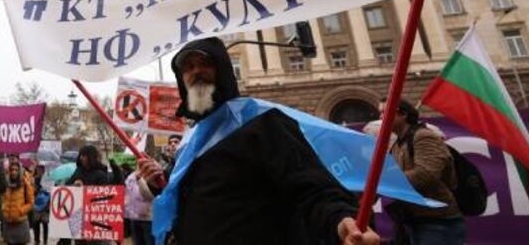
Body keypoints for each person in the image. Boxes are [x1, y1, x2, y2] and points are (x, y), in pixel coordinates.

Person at [137, 37, 380, 245]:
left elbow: (312, 187)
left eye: (205, 63)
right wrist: (161, 182)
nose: (196, 71)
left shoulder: (263, 123)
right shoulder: (190, 141)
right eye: (188, 67)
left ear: (222, 69)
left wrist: (341, 220)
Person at [385, 99, 466, 244]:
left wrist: (386, 183)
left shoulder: (423, 136)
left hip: (438, 222)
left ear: (403, 114)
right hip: (415, 220)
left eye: (385, 112)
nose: (381, 117)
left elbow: (426, 174)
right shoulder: (398, 144)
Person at [0, 159, 34, 245]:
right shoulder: (6, 184)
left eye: (16, 170)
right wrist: (4, 208)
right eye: (12, 170)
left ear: (20, 171)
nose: (14, 172)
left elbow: (31, 202)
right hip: (8, 223)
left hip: (20, 223)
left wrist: (20, 211)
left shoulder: (25, 184)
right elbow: (3, 198)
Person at [29, 164, 49, 245]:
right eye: (38, 169)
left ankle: (45, 241)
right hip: (36, 204)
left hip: (45, 204)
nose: (39, 171)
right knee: (36, 223)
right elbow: (31, 191)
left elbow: (49, 191)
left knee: (45, 223)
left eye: (41, 169)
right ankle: (37, 240)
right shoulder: (33, 179)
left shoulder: (47, 179)